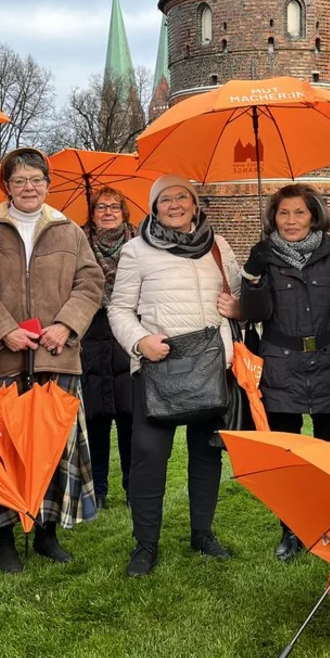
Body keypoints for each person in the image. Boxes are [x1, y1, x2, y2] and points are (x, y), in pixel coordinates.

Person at [0, 148, 104, 573]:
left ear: (47, 184)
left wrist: (65, 325)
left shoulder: (68, 230)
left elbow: (90, 283)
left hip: (57, 357)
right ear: (6, 185)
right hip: (6, 358)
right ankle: (4, 537)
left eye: (36, 180)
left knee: (54, 449)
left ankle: (47, 533)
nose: (28, 188)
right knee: (5, 450)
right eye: (19, 181)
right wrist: (5, 329)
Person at [108, 175, 244, 577]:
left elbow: (238, 298)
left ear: (195, 204)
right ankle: (145, 544)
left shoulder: (218, 246)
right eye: (165, 199)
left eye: (182, 197)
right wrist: (140, 341)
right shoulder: (136, 250)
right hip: (159, 364)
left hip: (211, 365)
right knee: (149, 456)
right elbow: (119, 309)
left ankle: (202, 533)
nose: (175, 204)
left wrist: (238, 308)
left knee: (207, 452)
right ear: (154, 208)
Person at [239, 184, 330, 561]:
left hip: (329, 362)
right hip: (281, 366)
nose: (291, 220)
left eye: (299, 212)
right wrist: (252, 273)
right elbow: (256, 313)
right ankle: (292, 528)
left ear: (314, 216)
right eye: (283, 213)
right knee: (289, 456)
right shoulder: (264, 257)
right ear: (273, 217)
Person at [80, 187, 137, 508]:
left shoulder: (140, 242)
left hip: (128, 332)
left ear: (124, 212)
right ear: (92, 213)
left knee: (131, 417)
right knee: (95, 419)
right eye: (101, 207)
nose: (108, 212)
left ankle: (132, 487)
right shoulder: (78, 242)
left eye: (114, 207)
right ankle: (97, 490)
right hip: (92, 335)